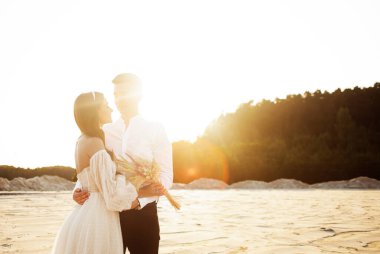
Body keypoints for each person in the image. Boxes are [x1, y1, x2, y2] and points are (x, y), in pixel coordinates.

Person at [73, 73, 173, 254]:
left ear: (139, 95)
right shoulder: (105, 130)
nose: (119, 99)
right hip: (108, 217)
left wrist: (139, 200)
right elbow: (92, 166)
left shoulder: (155, 129)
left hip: (143, 216)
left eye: (125, 93)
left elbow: (166, 175)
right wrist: (78, 188)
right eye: (116, 94)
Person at [52, 92, 140, 254]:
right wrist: (137, 195)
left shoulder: (82, 140)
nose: (111, 109)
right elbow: (112, 195)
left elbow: (87, 178)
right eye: (106, 106)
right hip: (98, 217)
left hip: (85, 212)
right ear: (95, 111)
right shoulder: (94, 142)